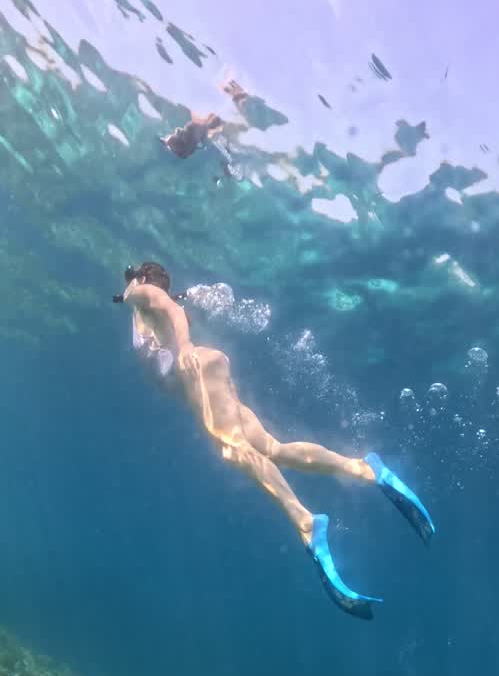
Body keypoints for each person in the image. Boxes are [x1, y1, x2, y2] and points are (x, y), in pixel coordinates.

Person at [114, 262, 435, 618]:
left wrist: (179, 338)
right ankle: (366, 469)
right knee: (271, 449)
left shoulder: (139, 293)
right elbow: (170, 309)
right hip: (208, 372)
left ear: (143, 279)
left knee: (230, 449)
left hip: (199, 373)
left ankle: (306, 522)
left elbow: (167, 304)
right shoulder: (147, 313)